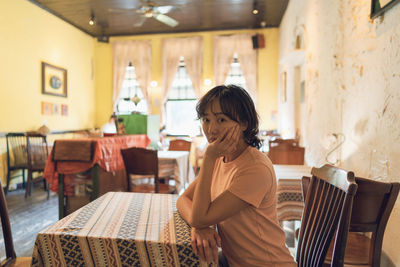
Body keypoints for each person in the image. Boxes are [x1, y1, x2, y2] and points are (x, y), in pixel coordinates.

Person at [177, 85, 296, 267]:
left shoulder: (255, 168)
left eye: (221, 120)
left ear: (244, 123)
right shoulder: (220, 158)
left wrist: (199, 221)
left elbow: (199, 216)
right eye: (206, 119)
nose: (211, 129)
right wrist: (199, 226)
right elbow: (184, 198)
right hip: (234, 261)